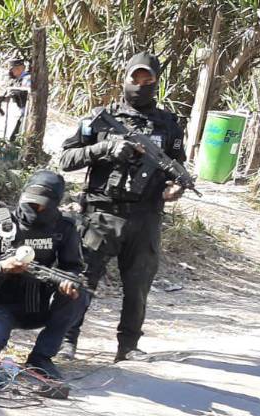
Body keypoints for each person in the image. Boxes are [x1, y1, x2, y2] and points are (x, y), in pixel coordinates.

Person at [60, 52, 186, 362]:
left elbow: (177, 167)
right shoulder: (99, 117)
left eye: (148, 81)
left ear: (156, 83)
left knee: (138, 285)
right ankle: (65, 340)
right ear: (125, 79)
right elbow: (66, 160)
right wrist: (106, 148)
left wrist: (176, 188)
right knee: (83, 278)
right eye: (135, 79)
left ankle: (128, 347)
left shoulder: (169, 125)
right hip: (101, 213)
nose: (140, 86)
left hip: (146, 216)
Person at [0, 170, 89, 381]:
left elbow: (73, 266)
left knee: (78, 295)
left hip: (43, 304)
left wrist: (67, 281)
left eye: (42, 205)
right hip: (1, 306)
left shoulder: (64, 228)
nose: (36, 209)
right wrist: (1, 267)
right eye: (31, 202)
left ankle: (41, 358)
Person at [0, 59, 31, 141]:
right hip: (21, 113)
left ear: (20, 68)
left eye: (12, 69)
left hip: (28, 113)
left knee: (19, 137)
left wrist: (14, 93)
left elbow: (28, 92)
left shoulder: (27, 78)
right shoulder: (17, 80)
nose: (11, 72)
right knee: (14, 136)